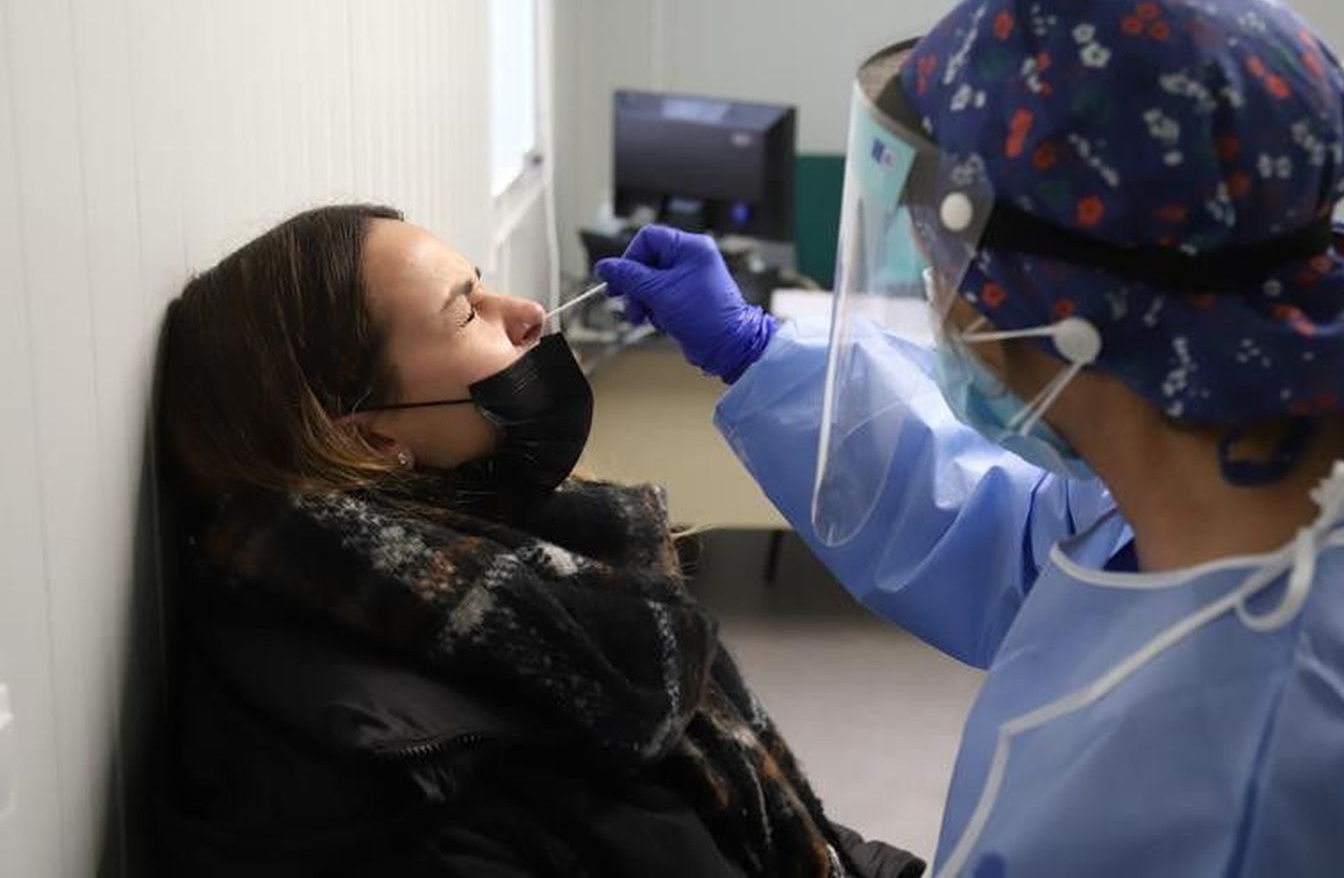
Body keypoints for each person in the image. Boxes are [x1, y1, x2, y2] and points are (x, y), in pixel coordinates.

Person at [596, 0, 1344, 877]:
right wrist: (759, 352)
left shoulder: (1200, 798)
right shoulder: (1300, 431)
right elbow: (1024, 545)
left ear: (1052, 304)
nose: (935, 290)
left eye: (939, 252)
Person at [152, 205, 924, 878]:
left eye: (483, 281)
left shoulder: (510, 578)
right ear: (377, 434)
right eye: (466, 312)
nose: (525, 310)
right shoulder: (417, 798)